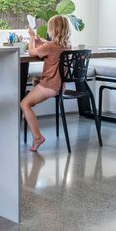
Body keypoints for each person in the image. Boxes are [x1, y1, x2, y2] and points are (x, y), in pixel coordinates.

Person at [20, 15, 71, 151]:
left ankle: (37, 137)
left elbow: (32, 52)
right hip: (60, 86)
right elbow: (45, 45)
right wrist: (37, 38)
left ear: (54, 30)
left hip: (50, 86)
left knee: (24, 104)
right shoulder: (66, 45)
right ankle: (30, 101)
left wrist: (32, 38)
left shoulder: (51, 46)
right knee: (34, 87)